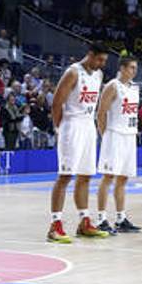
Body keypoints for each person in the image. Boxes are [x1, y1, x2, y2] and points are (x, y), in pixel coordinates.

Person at [47, 42, 109, 243]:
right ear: (90, 55)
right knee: (65, 176)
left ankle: (84, 221)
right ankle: (55, 224)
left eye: (104, 61)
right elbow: (57, 103)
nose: (101, 64)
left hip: (88, 126)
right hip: (72, 125)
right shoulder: (73, 72)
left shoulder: (98, 76)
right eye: (99, 59)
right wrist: (59, 128)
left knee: (85, 176)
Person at [95, 56, 142, 234]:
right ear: (122, 68)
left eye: (135, 68)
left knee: (123, 178)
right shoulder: (112, 86)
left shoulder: (135, 87)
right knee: (108, 178)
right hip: (114, 135)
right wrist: (106, 136)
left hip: (129, 136)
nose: (134, 71)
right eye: (131, 67)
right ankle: (101, 219)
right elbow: (101, 113)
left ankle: (121, 219)